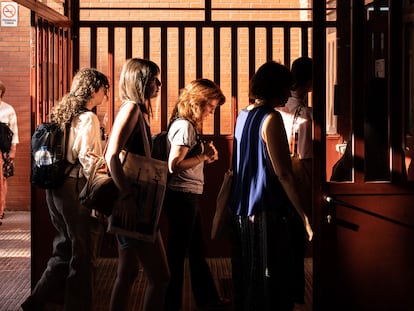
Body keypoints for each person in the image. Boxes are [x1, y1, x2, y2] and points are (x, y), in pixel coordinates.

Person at [21, 68, 110, 311]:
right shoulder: (88, 118)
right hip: (74, 187)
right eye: (104, 91)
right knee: (83, 254)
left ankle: (35, 301)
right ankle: (78, 306)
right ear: (93, 90)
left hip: (54, 187)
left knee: (63, 249)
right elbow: (89, 159)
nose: (105, 96)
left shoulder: (61, 113)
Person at [229, 61, 313, 311]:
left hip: (243, 207)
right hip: (266, 207)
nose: (289, 95)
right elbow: (284, 173)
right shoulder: (271, 118)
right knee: (272, 280)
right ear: (275, 89)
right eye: (285, 89)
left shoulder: (243, 115)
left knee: (249, 276)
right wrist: (303, 214)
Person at [105, 58, 170, 311]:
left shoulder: (134, 109)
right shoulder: (132, 109)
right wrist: (128, 196)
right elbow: (111, 155)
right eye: (154, 79)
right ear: (140, 81)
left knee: (128, 273)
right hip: (135, 203)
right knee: (160, 277)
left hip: (131, 201)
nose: (159, 84)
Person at [163, 78, 230, 311]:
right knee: (179, 253)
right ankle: (172, 302)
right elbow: (174, 164)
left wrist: (204, 156)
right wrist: (202, 157)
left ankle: (206, 298)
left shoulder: (184, 124)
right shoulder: (185, 127)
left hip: (185, 194)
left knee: (194, 250)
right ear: (197, 102)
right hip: (183, 195)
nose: (211, 112)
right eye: (210, 107)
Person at [277, 56, 313, 181]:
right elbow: (306, 156)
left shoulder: (277, 106)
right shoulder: (305, 113)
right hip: (297, 174)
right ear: (310, 82)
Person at [0, 81, 19, 224]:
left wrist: (13, 149)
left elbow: (15, 131)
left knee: (2, 180)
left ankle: (1, 209)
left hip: (3, 150)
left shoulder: (8, 109)